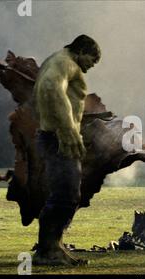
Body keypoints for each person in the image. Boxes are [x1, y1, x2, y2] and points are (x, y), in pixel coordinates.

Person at [32, 35, 101, 266]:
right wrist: (68, 129)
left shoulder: (55, 60)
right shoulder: (66, 63)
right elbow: (52, 87)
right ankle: (47, 251)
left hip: (52, 136)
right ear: (81, 50)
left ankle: (54, 247)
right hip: (58, 139)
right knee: (66, 195)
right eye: (93, 60)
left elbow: (45, 94)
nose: (92, 66)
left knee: (65, 194)